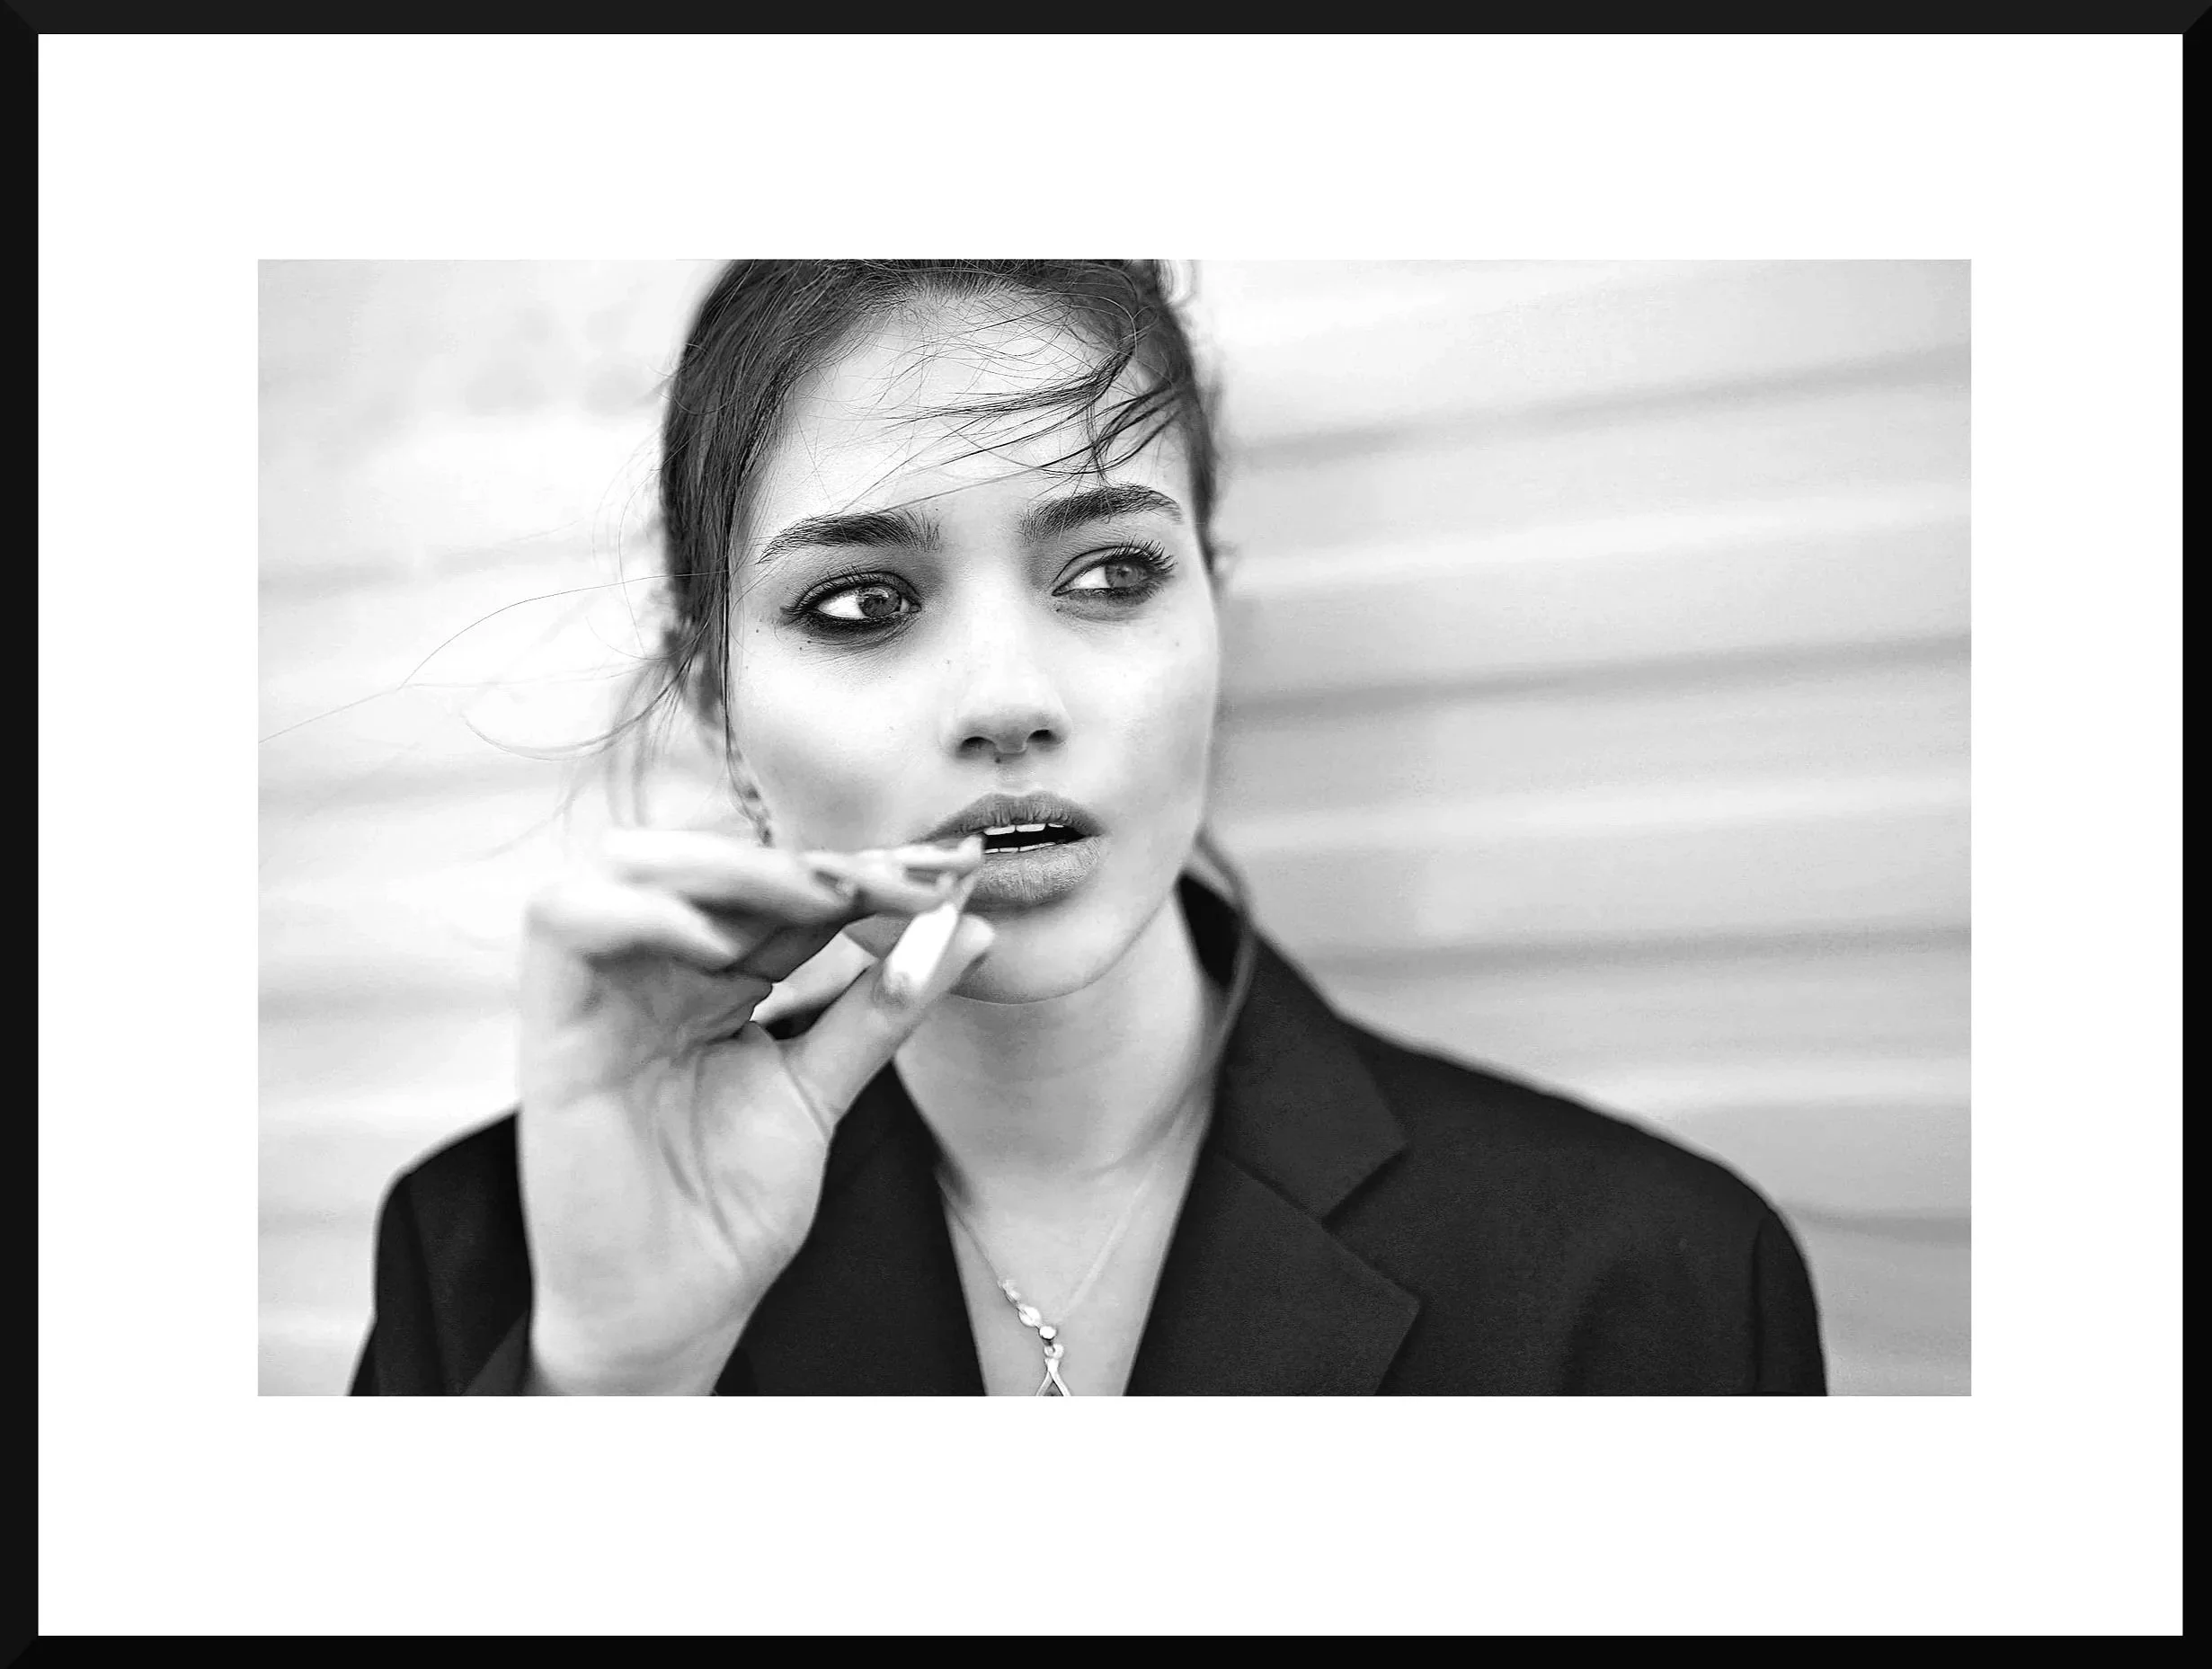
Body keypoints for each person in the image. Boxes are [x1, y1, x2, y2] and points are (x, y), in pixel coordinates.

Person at [349, 260, 1827, 1397]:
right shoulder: (491, 1269)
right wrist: (611, 1391)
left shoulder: (1654, 1278)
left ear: (1215, 622)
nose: (1009, 700)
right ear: (716, 706)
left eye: (1111, 575)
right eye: (862, 604)